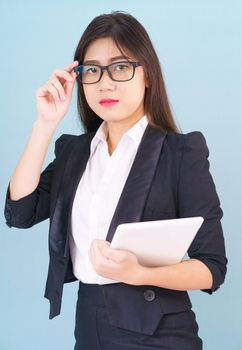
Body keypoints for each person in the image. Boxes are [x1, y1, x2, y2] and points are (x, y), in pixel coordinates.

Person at [4, 10, 227, 350]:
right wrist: (44, 125)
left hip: (160, 333)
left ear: (147, 74)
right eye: (92, 70)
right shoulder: (74, 153)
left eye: (120, 67)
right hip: (89, 324)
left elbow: (212, 268)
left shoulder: (181, 153)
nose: (105, 83)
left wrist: (140, 274)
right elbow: (18, 213)